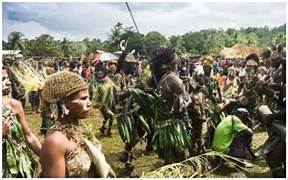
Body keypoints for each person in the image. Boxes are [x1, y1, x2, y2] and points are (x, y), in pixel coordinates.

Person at [40, 71, 107, 178]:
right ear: (64, 103)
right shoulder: (55, 141)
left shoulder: (79, 129)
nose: (89, 103)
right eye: (83, 98)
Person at [2, 68, 41, 177]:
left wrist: (45, 156)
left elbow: (29, 136)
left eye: (8, 78)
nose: (9, 82)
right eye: (3, 79)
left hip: (15, 164)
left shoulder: (14, 105)